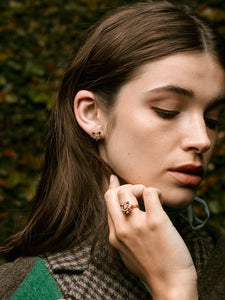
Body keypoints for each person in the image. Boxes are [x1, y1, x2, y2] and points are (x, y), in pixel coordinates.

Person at [0, 0, 225, 299]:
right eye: (167, 110)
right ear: (92, 113)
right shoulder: (36, 287)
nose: (202, 139)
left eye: (212, 119)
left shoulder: (216, 259)